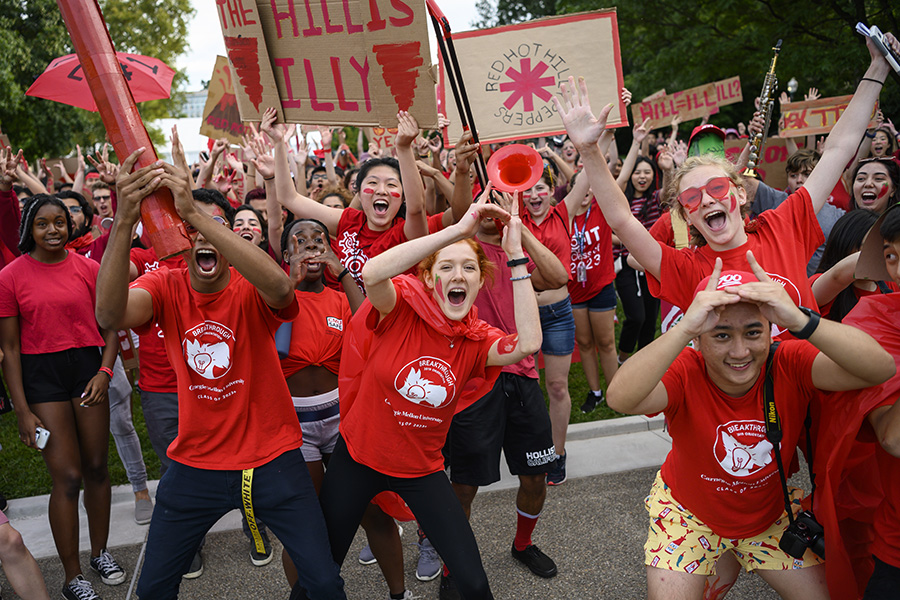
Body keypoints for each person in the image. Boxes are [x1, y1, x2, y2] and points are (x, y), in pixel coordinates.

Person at [94, 150, 346, 600]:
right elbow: (109, 313)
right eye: (189, 229)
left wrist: (194, 212)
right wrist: (122, 219)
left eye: (213, 227)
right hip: (195, 466)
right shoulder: (165, 285)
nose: (200, 237)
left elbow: (282, 289)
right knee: (153, 588)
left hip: (273, 459)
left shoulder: (250, 286)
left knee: (325, 582)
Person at [552, 30, 897, 319]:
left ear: (741, 193)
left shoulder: (783, 225)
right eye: (691, 197)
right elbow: (622, 220)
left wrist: (878, 68)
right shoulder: (686, 267)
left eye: (716, 186)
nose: (705, 199)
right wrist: (588, 150)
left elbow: (838, 150)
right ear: (686, 214)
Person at [607, 253, 893, 599]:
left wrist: (800, 319)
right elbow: (621, 399)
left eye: (753, 332)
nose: (740, 351)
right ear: (699, 340)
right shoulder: (687, 368)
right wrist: (684, 329)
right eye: (721, 335)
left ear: (771, 332)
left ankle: (728, 560)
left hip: (768, 520)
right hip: (688, 515)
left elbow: (880, 368)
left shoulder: (788, 360)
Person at [317, 185, 540, 600]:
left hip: (421, 469)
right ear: (429, 277)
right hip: (358, 457)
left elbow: (527, 344)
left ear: (480, 282)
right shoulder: (398, 307)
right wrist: (457, 230)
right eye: (447, 268)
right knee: (322, 571)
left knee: (473, 582)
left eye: (469, 269)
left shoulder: (477, 340)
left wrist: (516, 257)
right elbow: (372, 274)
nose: (458, 276)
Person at [442, 189, 568, 595]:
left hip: (523, 377)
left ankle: (523, 544)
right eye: (489, 200)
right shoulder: (463, 252)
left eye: (503, 201)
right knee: (463, 485)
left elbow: (558, 278)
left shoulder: (517, 250)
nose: (496, 208)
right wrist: (474, 214)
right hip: (475, 383)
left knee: (536, 475)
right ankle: (451, 565)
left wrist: (519, 228)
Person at [0, 194, 124, 600]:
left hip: (88, 369)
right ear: (29, 229)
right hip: (42, 379)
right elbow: (11, 350)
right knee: (67, 477)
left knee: (97, 468)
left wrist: (106, 371)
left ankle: (100, 553)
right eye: (43, 223)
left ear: (70, 226)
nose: (52, 230)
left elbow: (110, 324)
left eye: (60, 222)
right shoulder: (11, 276)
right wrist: (21, 409)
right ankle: (73, 577)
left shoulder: (89, 267)